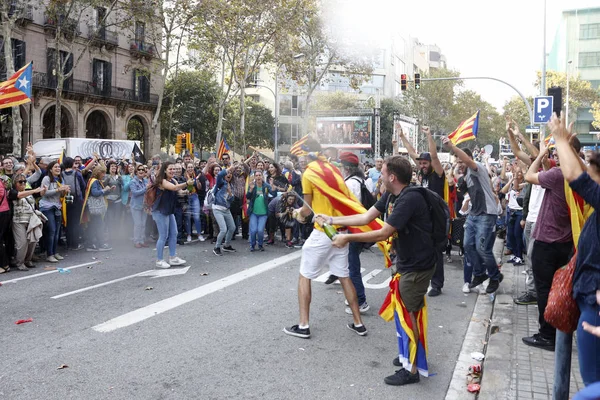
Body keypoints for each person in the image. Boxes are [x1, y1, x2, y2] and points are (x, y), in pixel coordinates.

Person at [322, 155, 436, 386]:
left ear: (392, 176)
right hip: (408, 263)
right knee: (408, 312)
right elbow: (366, 216)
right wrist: (333, 220)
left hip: (417, 265)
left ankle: (411, 369)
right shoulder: (392, 194)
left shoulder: (409, 199)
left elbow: (384, 233)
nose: (377, 175)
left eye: (382, 172)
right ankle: (410, 354)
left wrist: (346, 238)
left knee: (408, 314)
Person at [283, 138, 367, 340]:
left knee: (305, 275)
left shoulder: (310, 173)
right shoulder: (333, 169)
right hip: (341, 231)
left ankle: (303, 325)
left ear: (309, 154)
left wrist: (297, 214)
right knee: (344, 276)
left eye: (302, 155)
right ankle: (358, 323)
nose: (300, 159)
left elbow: (306, 209)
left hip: (323, 232)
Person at [551, 114, 600, 385]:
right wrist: (568, 147)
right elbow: (582, 173)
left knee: (593, 384)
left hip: (595, 307)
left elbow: (576, 177)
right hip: (590, 301)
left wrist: (559, 139)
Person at [442, 137, 503, 294]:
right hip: (474, 215)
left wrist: (453, 147)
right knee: (468, 245)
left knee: (482, 249)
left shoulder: (477, 169)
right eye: (457, 162)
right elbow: (451, 181)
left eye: (461, 162)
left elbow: (468, 161)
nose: (460, 165)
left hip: (487, 214)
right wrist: (454, 168)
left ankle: (495, 276)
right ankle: (480, 274)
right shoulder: (465, 176)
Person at [401, 126, 447, 296]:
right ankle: (425, 279)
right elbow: (412, 152)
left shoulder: (438, 174)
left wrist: (429, 135)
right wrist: (402, 137)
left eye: (425, 163)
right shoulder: (422, 174)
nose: (422, 165)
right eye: (420, 163)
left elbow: (433, 155)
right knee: (423, 249)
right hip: (424, 219)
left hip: (437, 219)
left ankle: (437, 285)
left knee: (436, 252)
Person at [151, 161, 189, 268]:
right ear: (165, 170)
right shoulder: (161, 181)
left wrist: (186, 191)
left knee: (174, 233)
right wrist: (187, 183)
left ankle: (173, 258)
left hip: (169, 210)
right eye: (170, 169)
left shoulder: (173, 180)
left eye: (174, 169)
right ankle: (159, 260)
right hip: (160, 211)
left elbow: (179, 191)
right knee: (163, 236)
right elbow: (173, 188)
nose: (173, 171)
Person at [9, 174, 46, 271]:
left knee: (32, 241)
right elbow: (18, 195)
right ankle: (19, 262)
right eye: (20, 182)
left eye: (25, 181)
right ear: (14, 183)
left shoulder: (27, 192)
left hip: (30, 220)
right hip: (18, 221)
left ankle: (28, 260)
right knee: (22, 243)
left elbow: (40, 194)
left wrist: (43, 190)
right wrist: (34, 190)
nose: (23, 183)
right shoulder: (11, 192)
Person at [39, 161, 70, 263]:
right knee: (51, 231)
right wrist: (58, 190)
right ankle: (49, 254)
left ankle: (54, 252)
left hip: (57, 206)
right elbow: (44, 193)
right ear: (50, 169)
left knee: (57, 231)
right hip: (47, 207)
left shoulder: (61, 179)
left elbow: (60, 196)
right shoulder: (46, 178)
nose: (58, 169)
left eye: (59, 167)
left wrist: (65, 191)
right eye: (55, 167)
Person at [81, 165, 113, 252]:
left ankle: (91, 244)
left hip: (93, 207)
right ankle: (99, 244)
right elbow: (95, 193)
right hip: (95, 208)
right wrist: (105, 189)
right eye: (103, 173)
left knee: (93, 225)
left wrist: (109, 190)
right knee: (98, 225)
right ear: (98, 172)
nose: (104, 175)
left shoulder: (94, 180)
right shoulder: (95, 181)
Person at [61, 157, 86, 251]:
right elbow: (83, 186)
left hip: (65, 199)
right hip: (76, 199)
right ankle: (75, 244)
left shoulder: (61, 174)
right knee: (76, 222)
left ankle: (69, 243)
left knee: (68, 221)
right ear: (72, 163)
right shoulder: (77, 174)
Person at [212, 166, 236, 256]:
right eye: (227, 173)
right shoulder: (221, 182)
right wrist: (229, 168)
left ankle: (226, 245)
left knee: (232, 227)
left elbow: (231, 200)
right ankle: (216, 247)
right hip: (217, 208)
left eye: (230, 173)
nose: (229, 175)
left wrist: (230, 193)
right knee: (223, 229)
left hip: (226, 210)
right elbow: (219, 175)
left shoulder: (231, 185)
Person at [246, 170, 271, 252]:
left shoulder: (266, 186)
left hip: (263, 213)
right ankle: (252, 245)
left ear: (262, 176)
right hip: (254, 213)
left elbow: (273, 194)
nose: (258, 177)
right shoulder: (252, 185)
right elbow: (248, 196)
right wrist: (250, 189)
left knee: (260, 230)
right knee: (253, 231)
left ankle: (260, 245)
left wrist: (273, 189)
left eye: (259, 175)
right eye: (256, 175)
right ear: (254, 177)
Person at [184, 162, 205, 242]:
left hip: (195, 196)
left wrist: (198, 181)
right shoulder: (184, 177)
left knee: (197, 216)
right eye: (188, 167)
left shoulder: (196, 176)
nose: (190, 168)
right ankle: (189, 234)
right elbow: (187, 188)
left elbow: (199, 188)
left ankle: (199, 234)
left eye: (191, 167)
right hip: (186, 197)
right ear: (186, 168)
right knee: (188, 217)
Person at [130, 164, 149, 248]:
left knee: (143, 224)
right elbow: (134, 193)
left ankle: (142, 240)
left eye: (143, 170)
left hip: (144, 205)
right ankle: (136, 241)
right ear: (136, 172)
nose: (141, 171)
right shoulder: (133, 181)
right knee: (138, 224)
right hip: (136, 206)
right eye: (139, 170)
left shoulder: (146, 181)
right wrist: (146, 189)